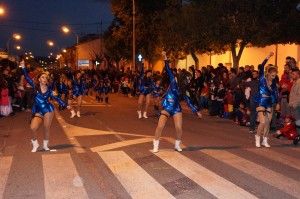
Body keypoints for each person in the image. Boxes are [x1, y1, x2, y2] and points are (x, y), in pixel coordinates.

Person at [153, 52, 202, 153]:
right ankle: (155, 144)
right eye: (187, 79)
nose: (189, 81)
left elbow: (188, 101)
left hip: (176, 109)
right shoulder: (173, 80)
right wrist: (165, 57)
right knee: (160, 126)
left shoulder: (184, 89)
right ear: (183, 78)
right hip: (167, 107)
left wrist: (196, 111)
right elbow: (167, 68)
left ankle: (177, 144)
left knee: (179, 128)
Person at [20, 60, 69, 152]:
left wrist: (65, 105)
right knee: (33, 127)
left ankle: (45, 146)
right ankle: (35, 144)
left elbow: (57, 99)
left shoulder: (50, 90)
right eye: (42, 77)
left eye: (46, 78)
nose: (44, 79)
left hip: (48, 110)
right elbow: (26, 77)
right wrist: (23, 67)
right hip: (38, 110)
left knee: (46, 128)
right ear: (39, 79)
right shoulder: (35, 87)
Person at [255, 52, 279, 148]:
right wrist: (268, 57)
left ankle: (265, 140)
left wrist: (276, 103)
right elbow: (261, 66)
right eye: (272, 75)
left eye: (275, 75)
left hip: (269, 103)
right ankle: (257, 137)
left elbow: (275, 94)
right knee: (263, 122)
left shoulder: (273, 84)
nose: (274, 77)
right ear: (268, 73)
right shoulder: (262, 79)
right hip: (261, 101)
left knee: (268, 123)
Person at [289, 68, 300, 134]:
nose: (292, 75)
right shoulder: (295, 82)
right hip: (294, 105)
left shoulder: (299, 83)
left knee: (298, 121)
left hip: (297, 105)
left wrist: (294, 104)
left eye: (293, 74)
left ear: (298, 74)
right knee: (297, 122)